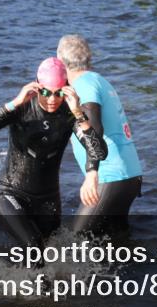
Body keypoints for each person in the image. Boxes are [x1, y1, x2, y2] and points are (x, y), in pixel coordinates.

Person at [0, 57, 108, 261]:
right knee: (33, 247)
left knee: (47, 258)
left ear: (67, 89)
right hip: (11, 194)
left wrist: (78, 113)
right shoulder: (22, 107)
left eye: (58, 93)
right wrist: (13, 103)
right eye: (46, 92)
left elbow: (99, 152)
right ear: (37, 87)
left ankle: (18, 279)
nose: (52, 99)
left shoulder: (70, 114)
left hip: (48, 201)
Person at [56, 35, 143, 234]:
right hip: (129, 174)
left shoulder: (83, 86)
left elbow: (94, 129)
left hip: (109, 176)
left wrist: (91, 174)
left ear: (61, 61)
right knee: (115, 240)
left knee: (77, 240)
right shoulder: (99, 80)